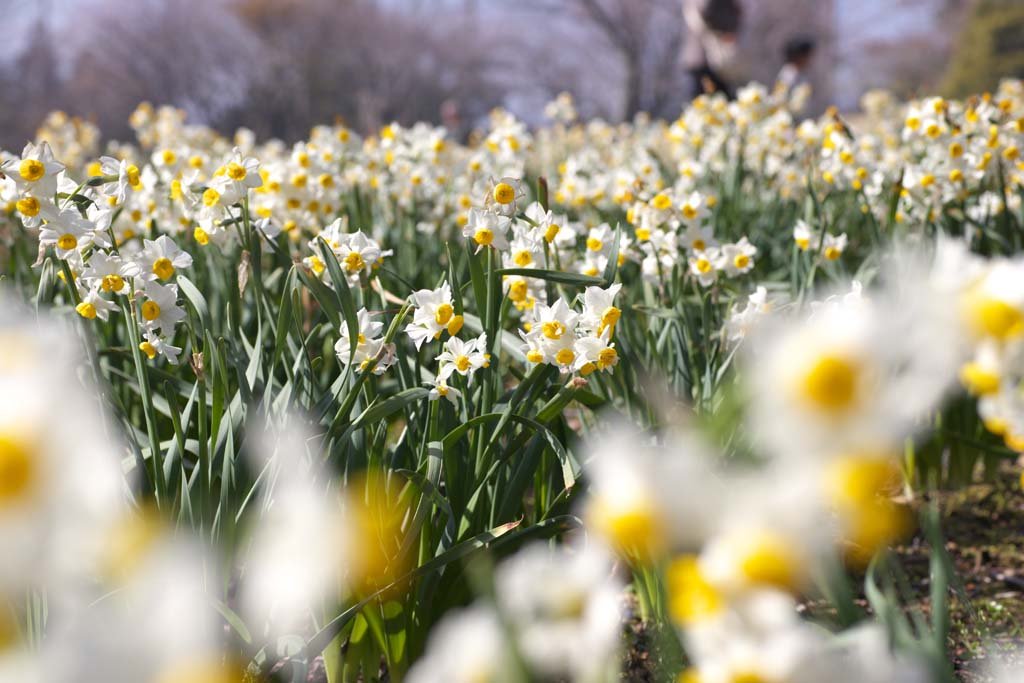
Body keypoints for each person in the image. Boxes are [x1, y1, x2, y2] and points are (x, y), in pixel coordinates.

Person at [682, 0, 743, 99]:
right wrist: (726, 32)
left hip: (706, 59)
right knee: (714, 100)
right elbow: (707, 14)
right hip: (707, 59)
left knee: (714, 99)